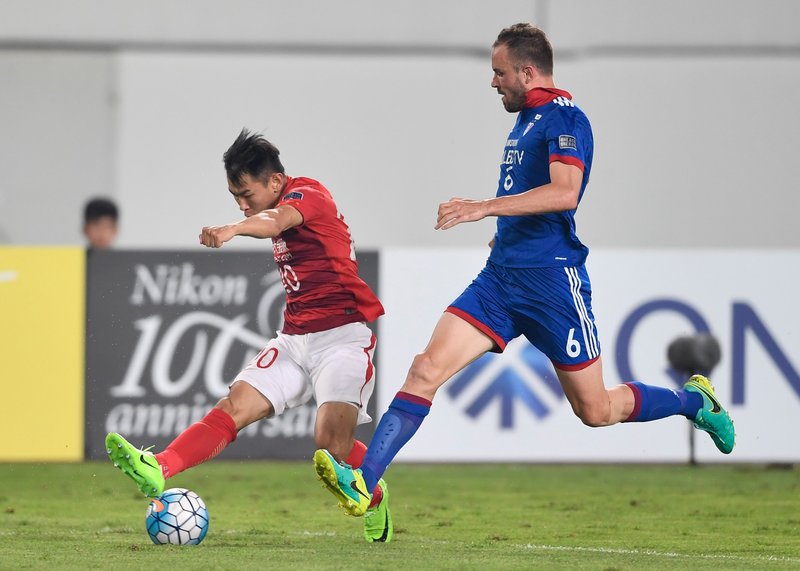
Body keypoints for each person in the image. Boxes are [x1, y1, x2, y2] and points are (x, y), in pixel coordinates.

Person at [314, 23, 736, 518]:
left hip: (552, 283)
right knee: (424, 368)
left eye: (500, 72)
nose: (493, 82)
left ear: (528, 71)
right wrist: (504, 232)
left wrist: (484, 208)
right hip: (500, 280)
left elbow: (565, 193)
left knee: (595, 410)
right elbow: (531, 196)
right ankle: (364, 483)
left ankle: (694, 403)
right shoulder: (526, 121)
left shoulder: (565, 118)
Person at [105, 128, 394, 543]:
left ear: (275, 181)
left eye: (246, 194)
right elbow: (269, 218)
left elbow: (276, 219)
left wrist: (233, 229)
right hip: (293, 340)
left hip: (342, 339)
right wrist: (242, 221)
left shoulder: (309, 194)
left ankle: (375, 494)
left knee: (331, 444)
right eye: (234, 197)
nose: (242, 204)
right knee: (233, 407)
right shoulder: (273, 202)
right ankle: (160, 466)